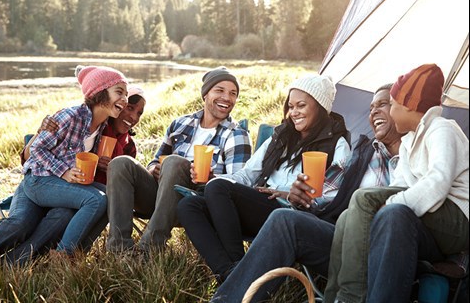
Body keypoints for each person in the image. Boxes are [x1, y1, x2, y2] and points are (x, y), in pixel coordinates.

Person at [208, 83, 403, 302]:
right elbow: (329, 194)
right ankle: (233, 282)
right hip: (341, 239)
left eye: (383, 104)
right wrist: (305, 199)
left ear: (403, 108)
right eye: (371, 108)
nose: (374, 112)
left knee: (284, 218)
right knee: (285, 217)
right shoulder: (366, 152)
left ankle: (230, 290)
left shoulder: (417, 154)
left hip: (377, 248)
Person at [177, 74, 352, 285]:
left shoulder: (338, 145)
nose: (293, 112)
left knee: (219, 189)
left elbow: (334, 197)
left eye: (301, 106)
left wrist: (290, 194)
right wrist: (216, 180)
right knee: (189, 205)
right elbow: (248, 174)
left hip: (290, 215)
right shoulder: (282, 136)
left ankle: (240, 276)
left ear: (320, 107)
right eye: (290, 106)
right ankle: (229, 273)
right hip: (260, 205)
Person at [325, 64, 469, 303]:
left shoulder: (442, 130)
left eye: (392, 105)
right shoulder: (409, 142)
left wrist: (390, 203)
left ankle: (352, 296)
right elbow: (399, 184)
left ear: (409, 105)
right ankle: (334, 297)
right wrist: (377, 208)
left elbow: (438, 183)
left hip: (458, 220)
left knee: (365, 199)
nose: (389, 113)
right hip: (434, 219)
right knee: (348, 215)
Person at [105, 66, 252, 254]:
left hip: (198, 202)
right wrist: (153, 169)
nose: (227, 97)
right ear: (205, 94)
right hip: (160, 197)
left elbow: (239, 185)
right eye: (220, 90)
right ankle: (119, 249)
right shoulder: (181, 124)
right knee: (121, 163)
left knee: (175, 162)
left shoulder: (236, 134)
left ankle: (150, 248)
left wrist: (212, 178)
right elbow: (156, 159)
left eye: (233, 93)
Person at [3, 85, 147, 265]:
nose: (133, 117)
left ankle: (72, 256)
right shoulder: (92, 125)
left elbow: (120, 190)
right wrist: (41, 131)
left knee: (83, 207)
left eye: (139, 113)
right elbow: (29, 158)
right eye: (130, 108)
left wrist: (113, 170)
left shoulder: (128, 146)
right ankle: (44, 258)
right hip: (53, 184)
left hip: (83, 195)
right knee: (27, 222)